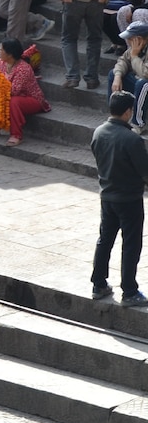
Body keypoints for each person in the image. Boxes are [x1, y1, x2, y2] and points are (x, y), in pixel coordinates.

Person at [91, 92, 148, 307]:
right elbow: (145, 171)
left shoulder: (98, 132)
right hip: (129, 199)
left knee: (105, 239)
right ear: (127, 112)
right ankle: (129, 290)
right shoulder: (132, 139)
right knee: (131, 244)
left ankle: (98, 283)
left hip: (107, 196)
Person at [0, 38, 50, 146]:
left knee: (13, 101)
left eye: (1, 50)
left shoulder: (23, 69)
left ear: (10, 54)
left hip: (31, 99)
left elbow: (14, 91)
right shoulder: (2, 62)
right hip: (6, 93)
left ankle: (16, 135)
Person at [110, 21, 148, 129]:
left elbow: (145, 74)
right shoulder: (133, 49)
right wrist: (117, 76)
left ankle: (138, 124)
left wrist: (135, 56)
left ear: (140, 39)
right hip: (139, 82)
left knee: (143, 84)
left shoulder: (134, 51)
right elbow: (122, 61)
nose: (127, 41)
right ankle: (116, 116)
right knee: (112, 75)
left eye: (130, 38)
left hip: (145, 84)